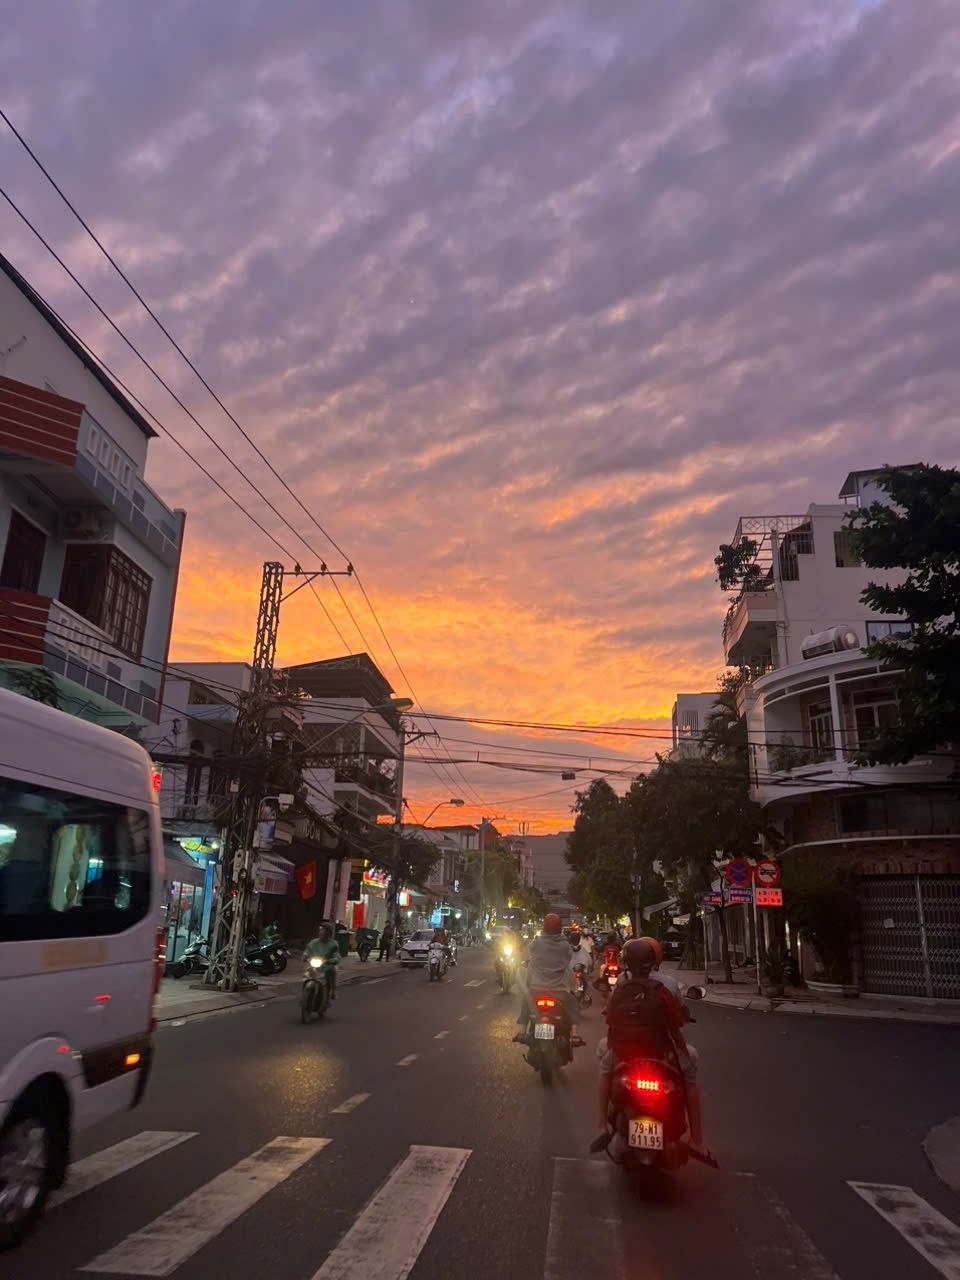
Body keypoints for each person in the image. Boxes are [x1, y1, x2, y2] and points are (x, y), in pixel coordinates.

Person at [591, 938, 710, 1160]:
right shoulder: (666, 987)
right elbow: (676, 1024)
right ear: (655, 960)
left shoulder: (620, 986)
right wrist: (682, 1050)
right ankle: (697, 1141)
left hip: (625, 1052)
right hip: (660, 1053)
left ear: (626, 961)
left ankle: (601, 1127)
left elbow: (610, 1019)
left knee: (604, 1070)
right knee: (690, 1076)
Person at [512, 913, 584, 1047]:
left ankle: (521, 1031)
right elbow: (568, 960)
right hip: (559, 991)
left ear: (544, 927)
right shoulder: (564, 945)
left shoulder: (536, 943)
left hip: (537, 989)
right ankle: (574, 1034)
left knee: (526, 1001)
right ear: (559, 927)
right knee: (573, 1003)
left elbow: (529, 954)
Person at [304, 923, 341, 1000]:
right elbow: (308, 950)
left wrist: (334, 959)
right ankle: (304, 997)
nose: (321, 932)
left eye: (324, 930)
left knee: (333, 972)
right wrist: (305, 956)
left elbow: (336, 954)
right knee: (306, 976)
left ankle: (333, 992)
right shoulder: (314, 942)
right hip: (314, 965)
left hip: (327, 966)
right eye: (321, 930)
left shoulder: (333, 944)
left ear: (329, 933)